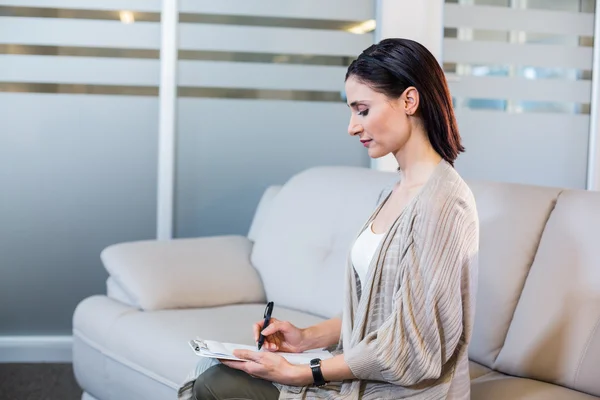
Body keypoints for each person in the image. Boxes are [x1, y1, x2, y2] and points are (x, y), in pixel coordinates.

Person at [183, 37, 479, 400]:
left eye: (363, 110)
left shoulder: (443, 204)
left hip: (402, 392)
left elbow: (412, 348)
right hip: (364, 377)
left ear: (409, 100)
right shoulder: (393, 192)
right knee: (211, 368)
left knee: (217, 384)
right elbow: (379, 315)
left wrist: (304, 373)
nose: (352, 126)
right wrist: (306, 338)